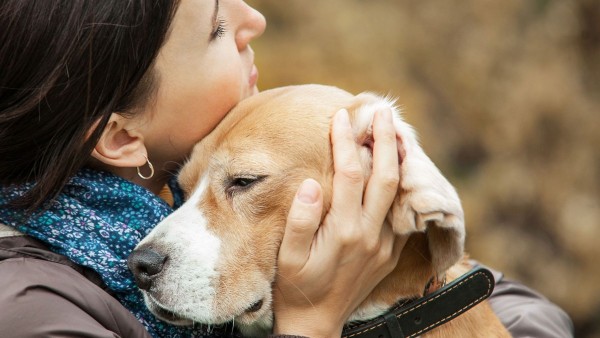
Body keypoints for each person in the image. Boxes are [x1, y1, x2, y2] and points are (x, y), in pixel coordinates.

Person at [0, 1, 573, 337]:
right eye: (218, 29)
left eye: (240, 182)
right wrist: (310, 320)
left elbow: (512, 303)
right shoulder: (30, 308)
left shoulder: (166, 194)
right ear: (122, 136)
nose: (255, 18)